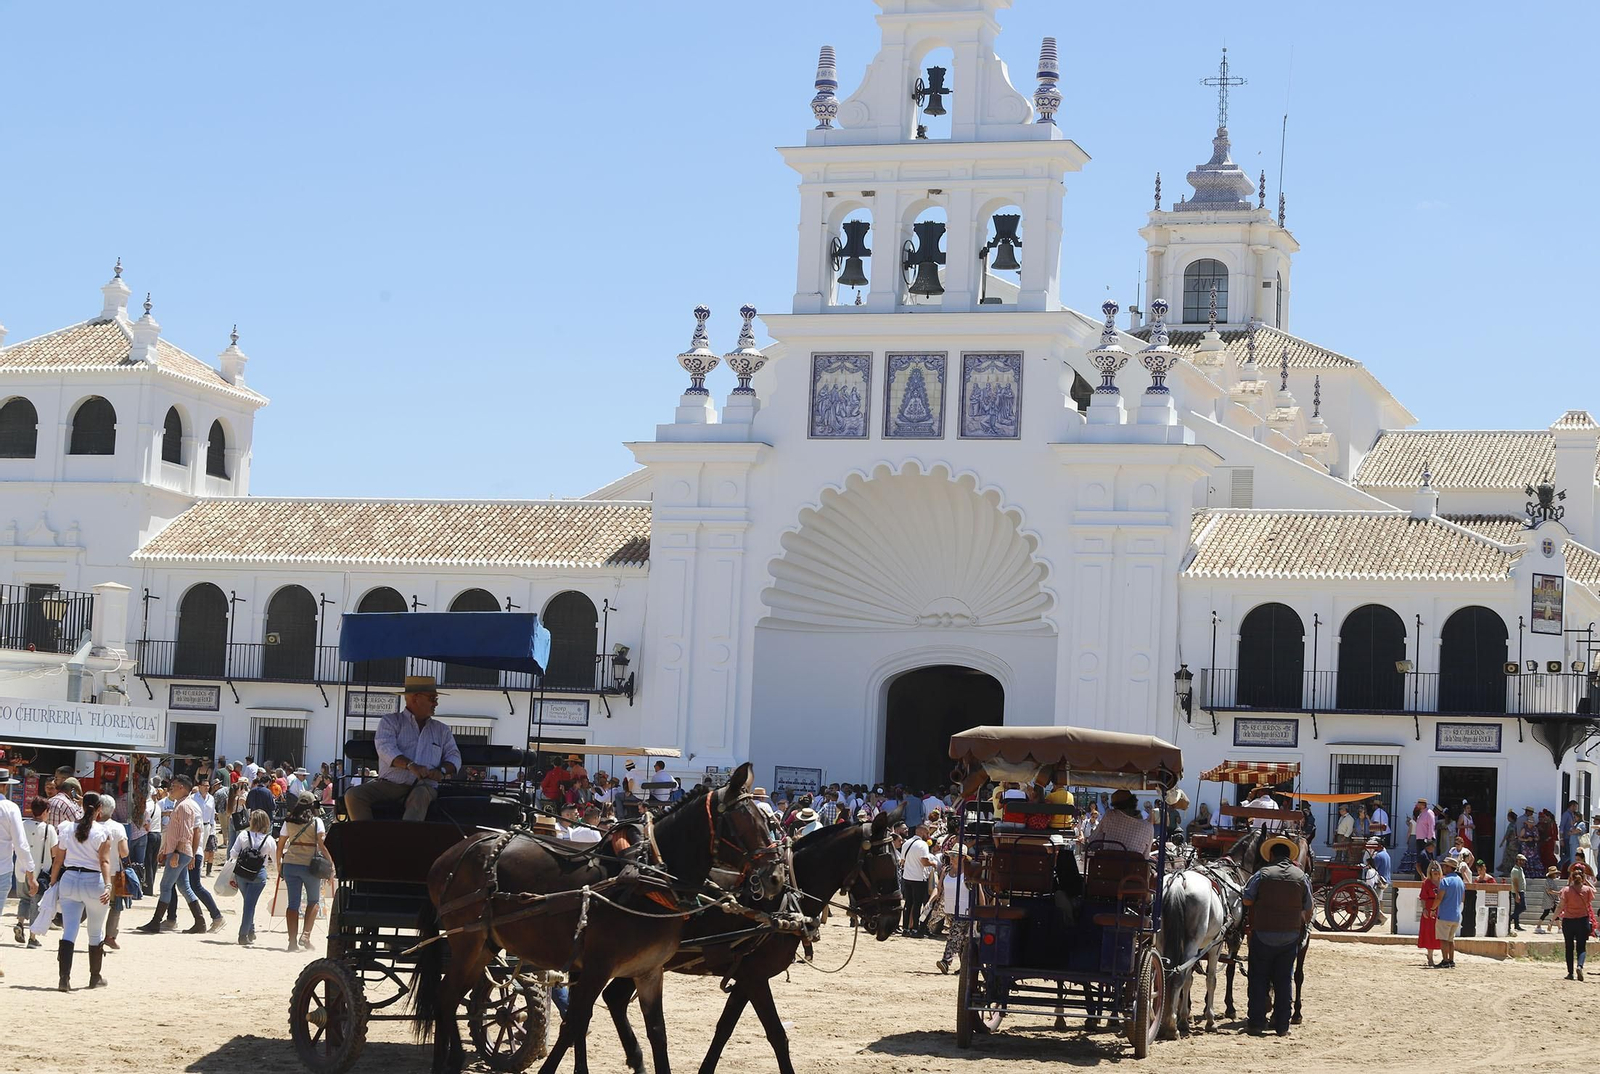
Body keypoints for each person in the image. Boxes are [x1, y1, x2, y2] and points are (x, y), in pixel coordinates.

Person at [345, 676, 461, 821]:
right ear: (416, 698)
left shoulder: (442, 730)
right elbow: (385, 748)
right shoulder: (390, 721)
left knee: (420, 796)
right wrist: (411, 766)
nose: (436, 703)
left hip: (425, 786)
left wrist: (441, 771)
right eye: (432, 698)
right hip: (390, 785)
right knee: (353, 795)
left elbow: (454, 756)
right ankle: (367, 834)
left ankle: (405, 835)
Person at [1240, 836, 1313, 1036]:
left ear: (1271, 855)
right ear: (1289, 856)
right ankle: (1282, 1026)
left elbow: (1247, 901)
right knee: (1284, 981)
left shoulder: (1262, 874)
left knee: (1258, 979)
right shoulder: (1301, 877)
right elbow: (1308, 906)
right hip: (1289, 936)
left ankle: (1256, 1024)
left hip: (1263, 934)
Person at [51, 790, 113, 990]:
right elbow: (104, 862)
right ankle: (95, 977)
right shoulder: (102, 832)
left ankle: (64, 978)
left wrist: (52, 882)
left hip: (69, 879)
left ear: (82, 806)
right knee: (95, 931)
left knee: (69, 930)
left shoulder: (67, 828)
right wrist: (108, 885)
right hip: (93, 881)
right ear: (99, 809)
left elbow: (58, 860)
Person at [136, 773, 207, 935]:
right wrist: (166, 849)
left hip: (180, 852)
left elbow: (185, 832)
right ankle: (199, 921)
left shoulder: (184, 806)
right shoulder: (182, 804)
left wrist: (174, 851)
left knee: (166, 886)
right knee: (183, 886)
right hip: (181, 851)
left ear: (182, 788)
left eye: (173, 786)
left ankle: (156, 922)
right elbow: (176, 831)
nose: (170, 790)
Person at [278, 791, 333, 951]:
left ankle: (292, 942)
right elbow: (322, 846)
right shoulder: (317, 822)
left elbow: (280, 846)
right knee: (313, 901)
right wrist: (331, 865)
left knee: (292, 904)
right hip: (310, 865)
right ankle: (306, 935)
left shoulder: (288, 821)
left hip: (290, 864)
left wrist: (279, 866)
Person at [0, 770, 39, 977]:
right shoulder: (10, 808)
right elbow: (21, 844)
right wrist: (30, 872)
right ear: (5, 786)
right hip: (2, 869)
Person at [227, 808, 276, 946]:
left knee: (248, 902)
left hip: (242, 873)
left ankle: (250, 930)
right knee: (250, 904)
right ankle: (243, 934)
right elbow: (275, 860)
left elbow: (233, 853)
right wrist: (280, 873)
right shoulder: (269, 840)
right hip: (258, 874)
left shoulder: (243, 835)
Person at [15, 794, 52, 948]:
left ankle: (20, 923)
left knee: (24, 899)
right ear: (44, 812)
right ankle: (32, 937)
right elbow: (55, 851)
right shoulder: (49, 829)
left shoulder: (22, 825)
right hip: (39, 874)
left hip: (21, 870)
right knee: (36, 904)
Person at [95, 794, 129, 951]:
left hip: (93, 870)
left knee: (92, 904)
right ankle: (110, 935)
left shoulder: (92, 827)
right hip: (113, 871)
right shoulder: (118, 828)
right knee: (115, 905)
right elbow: (124, 852)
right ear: (113, 810)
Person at [1558, 860, 1596, 980]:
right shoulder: (1587, 890)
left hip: (1568, 921)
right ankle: (1579, 966)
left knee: (1569, 947)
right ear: (1583, 877)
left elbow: (1560, 905)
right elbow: (1594, 892)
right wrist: (1586, 881)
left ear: (1571, 877)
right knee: (1581, 947)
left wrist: (1553, 919)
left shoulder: (1566, 890)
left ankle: (1570, 973)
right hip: (1582, 921)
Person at [1092, 788, 1155, 856]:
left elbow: (1093, 842)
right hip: (1133, 863)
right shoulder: (1148, 827)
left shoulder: (1109, 815)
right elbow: (1145, 857)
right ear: (1134, 803)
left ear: (1115, 806)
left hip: (1107, 862)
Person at [899, 823, 935, 938]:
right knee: (917, 904)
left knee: (908, 903)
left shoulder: (906, 843)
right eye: (927, 833)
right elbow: (924, 862)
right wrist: (933, 863)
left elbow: (902, 861)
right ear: (922, 832)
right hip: (918, 878)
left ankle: (905, 928)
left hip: (907, 877)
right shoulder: (923, 844)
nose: (928, 835)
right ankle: (915, 929)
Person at [1434, 856, 1465, 969]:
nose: (1443, 868)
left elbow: (1439, 898)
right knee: (1451, 939)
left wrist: (1432, 908)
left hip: (1445, 914)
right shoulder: (1460, 881)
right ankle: (1451, 960)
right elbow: (1462, 898)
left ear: (1449, 867)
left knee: (1443, 939)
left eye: (1444, 866)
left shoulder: (1445, 881)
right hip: (1456, 915)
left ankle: (1445, 960)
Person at [1418, 861, 1443, 967]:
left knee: (1441, 932)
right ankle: (1430, 956)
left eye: (1437, 868)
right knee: (1429, 933)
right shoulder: (1426, 883)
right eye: (1433, 868)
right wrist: (1424, 909)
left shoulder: (1443, 882)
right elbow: (1423, 897)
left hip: (1441, 909)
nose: (1435, 871)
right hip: (1429, 908)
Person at [1536, 865, 1563, 933]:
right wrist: (1558, 893)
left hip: (1551, 900)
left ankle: (1559, 927)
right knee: (1548, 913)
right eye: (1555, 874)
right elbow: (1549, 891)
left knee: (1552, 913)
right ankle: (1538, 926)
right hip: (1550, 900)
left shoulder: (1550, 881)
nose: (1556, 875)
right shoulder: (1549, 881)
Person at [1509, 854, 1527, 932]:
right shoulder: (1515, 870)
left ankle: (1517, 925)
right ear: (1518, 861)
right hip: (1518, 891)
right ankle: (1510, 918)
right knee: (1523, 907)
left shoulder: (1520, 869)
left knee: (1517, 908)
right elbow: (1515, 882)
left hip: (1521, 890)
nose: (1523, 862)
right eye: (1522, 861)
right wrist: (1517, 894)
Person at [1499, 810, 1520, 876]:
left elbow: (1507, 834)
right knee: (1514, 858)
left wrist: (1502, 842)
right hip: (1516, 844)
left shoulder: (1511, 825)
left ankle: (1507, 872)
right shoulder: (1517, 824)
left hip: (1511, 844)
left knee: (1507, 858)